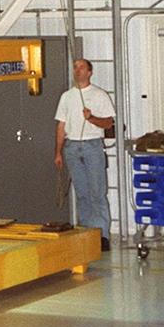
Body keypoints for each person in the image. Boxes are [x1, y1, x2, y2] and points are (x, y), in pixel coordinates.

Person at [54, 57, 115, 251]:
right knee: (82, 194)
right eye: (75, 67)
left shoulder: (100, 95)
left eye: (81, 67)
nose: (77, 70)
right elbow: (61, 125)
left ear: (89, 72)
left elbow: (108, 123)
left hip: (92, 146)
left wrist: (92, 118)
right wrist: (58, 152)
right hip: (72, 147)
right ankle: (87, 233)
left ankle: (102, 235)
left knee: (97, 193)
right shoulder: (66, 97)